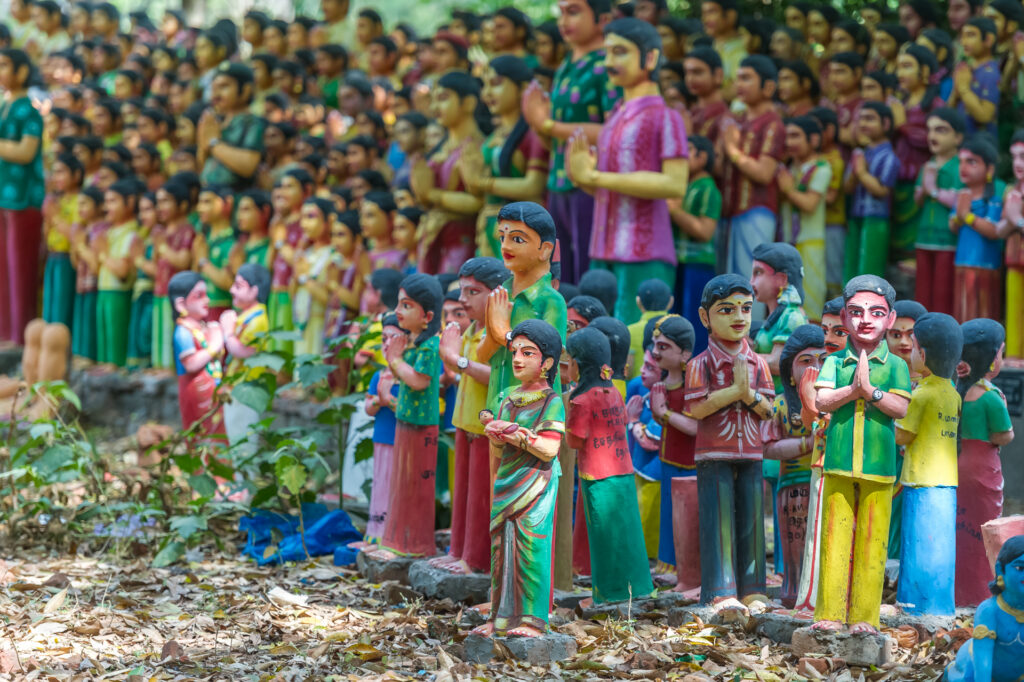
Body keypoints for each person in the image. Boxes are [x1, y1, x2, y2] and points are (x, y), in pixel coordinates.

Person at [567, 18, 686, 325]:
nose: (609, 62)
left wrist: (595, 177)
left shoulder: (665, 117)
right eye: (607, 53)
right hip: (602, 250)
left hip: (643, 254)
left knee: (637, 341)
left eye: (620, 52)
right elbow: (608, 187)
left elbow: (675, 183)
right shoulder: (614, 119)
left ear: (650, 58)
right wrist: (582, 176)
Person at [813, 275, 911, 633]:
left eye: (876, 312)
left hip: (879, 466)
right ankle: (829, 612)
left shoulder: (897, 365)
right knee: (834, 538)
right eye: (856, 312)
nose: (865, 320)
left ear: (890, 318)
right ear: (844, 317)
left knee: (873, 543)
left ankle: (865, 617)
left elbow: (901, 408)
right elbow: (821, 400)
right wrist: (853, 391)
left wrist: (871, 392)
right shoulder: (835, 361)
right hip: (838, 463)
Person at [471, 319, 565, 638]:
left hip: (535, 483)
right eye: (515, 352)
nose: (517, 359)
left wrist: (516, 435)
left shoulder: (551, 401)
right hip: (507, 480)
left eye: (528, 353)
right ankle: (500, 617)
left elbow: (550, 448)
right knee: (501, 550)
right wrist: (496, 434)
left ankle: (533, 620)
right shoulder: (508, 397)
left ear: (547, 362)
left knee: (531, 548)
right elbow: (499, 447)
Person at [686, 274, 774, 610]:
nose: (739, 317)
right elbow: (696, 409)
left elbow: (769, 410)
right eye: (726, 310)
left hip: (751, 451)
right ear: (705, 317)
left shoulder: (759, 364)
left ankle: (754, 588)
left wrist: (747, 394)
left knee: (752, 521)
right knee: (718, 522)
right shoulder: (699, 364)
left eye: (746, 308)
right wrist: (734, 391)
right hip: (714, 451)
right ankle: (721, 590)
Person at [520, 0, 619, 284]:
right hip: (558, 182)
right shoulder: (566, 65)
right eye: (561, 13)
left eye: (574, 12)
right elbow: (554, 139)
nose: (564, 20)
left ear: (602, 19)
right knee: (560, 275)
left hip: (589, 185)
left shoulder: (606, 64)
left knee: (587, 276)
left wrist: (547, 124)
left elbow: (613, 133)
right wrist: (536, 121)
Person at [566, 325, 655, 604]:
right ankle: (638, 586)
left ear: (580, 365)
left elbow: (574, 440)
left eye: (569, 363)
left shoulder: (581, 400)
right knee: (628, 533)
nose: (567, 368)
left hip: (597, 475)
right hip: (622, 470)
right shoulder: (614, 392)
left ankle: (607, 594)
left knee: (603, 538)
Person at [893, 312, 963, 617]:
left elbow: (903, 434)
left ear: (923, 355)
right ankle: (940, 604)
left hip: (921, 479)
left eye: (914, 347)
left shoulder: (921, 395)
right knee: (941, 545)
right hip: (947, 480)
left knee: (918, 543)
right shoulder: (952, 394)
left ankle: (914, 605)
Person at [370, 273, 443, 560]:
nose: (398, 311)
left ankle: (414, 543)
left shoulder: (429, 347)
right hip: (405, 420)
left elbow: (418, 381)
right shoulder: (411, 343)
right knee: (400, 483)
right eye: (399, 304)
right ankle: (395, 539)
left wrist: (395, 360)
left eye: (406, 305)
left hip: (422, 426)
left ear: (427, 316)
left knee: (415, 486)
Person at [762, 324, 826, 608]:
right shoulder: (780, 406)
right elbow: (768, 447)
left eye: (823, 360)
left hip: (826, 483)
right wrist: (806, 444)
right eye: (806, 361)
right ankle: (793, 591)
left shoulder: (833, 403)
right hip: (794, 486)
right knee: (796, 545)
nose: (816, 368)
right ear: (789, 370)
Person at [956, 319, 1014, 607]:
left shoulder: (955, 392)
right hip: (982, 469)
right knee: (984, 529)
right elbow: (1004, 435)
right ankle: (979, 592)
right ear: (992, 359)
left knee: (960, 531)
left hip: (957, 464)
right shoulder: (990, 398)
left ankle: (958, 590)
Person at [721, 56, 784, 280]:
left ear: (768, 87)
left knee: (751, 281)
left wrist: (732, 150)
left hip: (757, 211)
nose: (739, 84)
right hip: (732, 213)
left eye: (747, 78)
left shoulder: (772, 123)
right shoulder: (738, 121)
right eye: (738, 78)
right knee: (732, 282)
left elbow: (764, 173)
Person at [0, 48, 45, 346]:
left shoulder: (29, 110)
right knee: (3, 270)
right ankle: (5, 334)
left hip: (24, 199)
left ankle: (21, 338)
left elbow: (26, 152)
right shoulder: (4, 105)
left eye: (4, 65)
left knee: (21, 270)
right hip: (3, 197)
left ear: (22, 71)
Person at [944, 535, 1024, 682]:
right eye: (1020, 568)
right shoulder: (990, 611)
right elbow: (983, 661)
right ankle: (952, 672)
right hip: (974, 666)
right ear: (1000, 570)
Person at [777, 117, 830, 318]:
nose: (789, 142)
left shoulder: (822, 168)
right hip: (788, 245)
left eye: (795, 136)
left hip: (810, 245)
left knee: (810, 304)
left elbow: (809, 204)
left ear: (813, 139)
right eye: (787, 137)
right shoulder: (788, 169)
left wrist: (788, 190)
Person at [914, 108, 966, 316]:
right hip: (923, 236)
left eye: (941, 130)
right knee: (922, 291)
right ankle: (919, 327)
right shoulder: (927, 165)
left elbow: (959, 200)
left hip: (947, 239)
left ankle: (941, 328)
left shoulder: (960, 167)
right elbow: (918, 200)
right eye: (930, 130)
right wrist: (923, 190)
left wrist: (933, 190)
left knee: (942, 291)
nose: (932, 135)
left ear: (958, 137)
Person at [843, 102, 900, 278]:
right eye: (861, 119)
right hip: (855, 216)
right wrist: (856, 174)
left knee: (869, 269)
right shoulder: (861, 153)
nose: (863, 123)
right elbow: (847, 188)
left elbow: (882, 190)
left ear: (886, 124)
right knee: (850, 266)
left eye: (870, 119)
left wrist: (861, 173)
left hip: (876, 218)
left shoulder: (889, 156)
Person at [220, 263, 271, 448]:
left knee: (243, 440)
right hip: (235, 387)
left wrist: (228, 332)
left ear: (255, 290)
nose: (232, 290)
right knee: (233, 436)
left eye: (238, 286)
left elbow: (242, 351)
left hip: (247, 388)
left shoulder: (257, 321)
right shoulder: (246, 316)